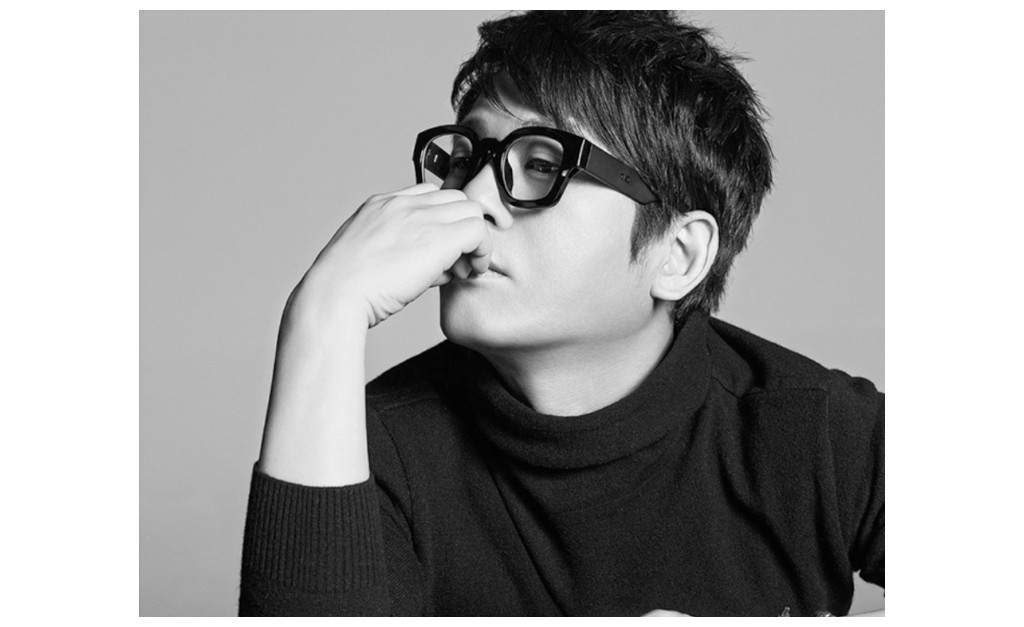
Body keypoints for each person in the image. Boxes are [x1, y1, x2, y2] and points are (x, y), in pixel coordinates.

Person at [239, 10, 884, 617]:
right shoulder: (362, 447)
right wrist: (325, 311)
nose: (471, 199)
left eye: (542, 165)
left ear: (678, 254)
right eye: (465, 160)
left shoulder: (814, 428)